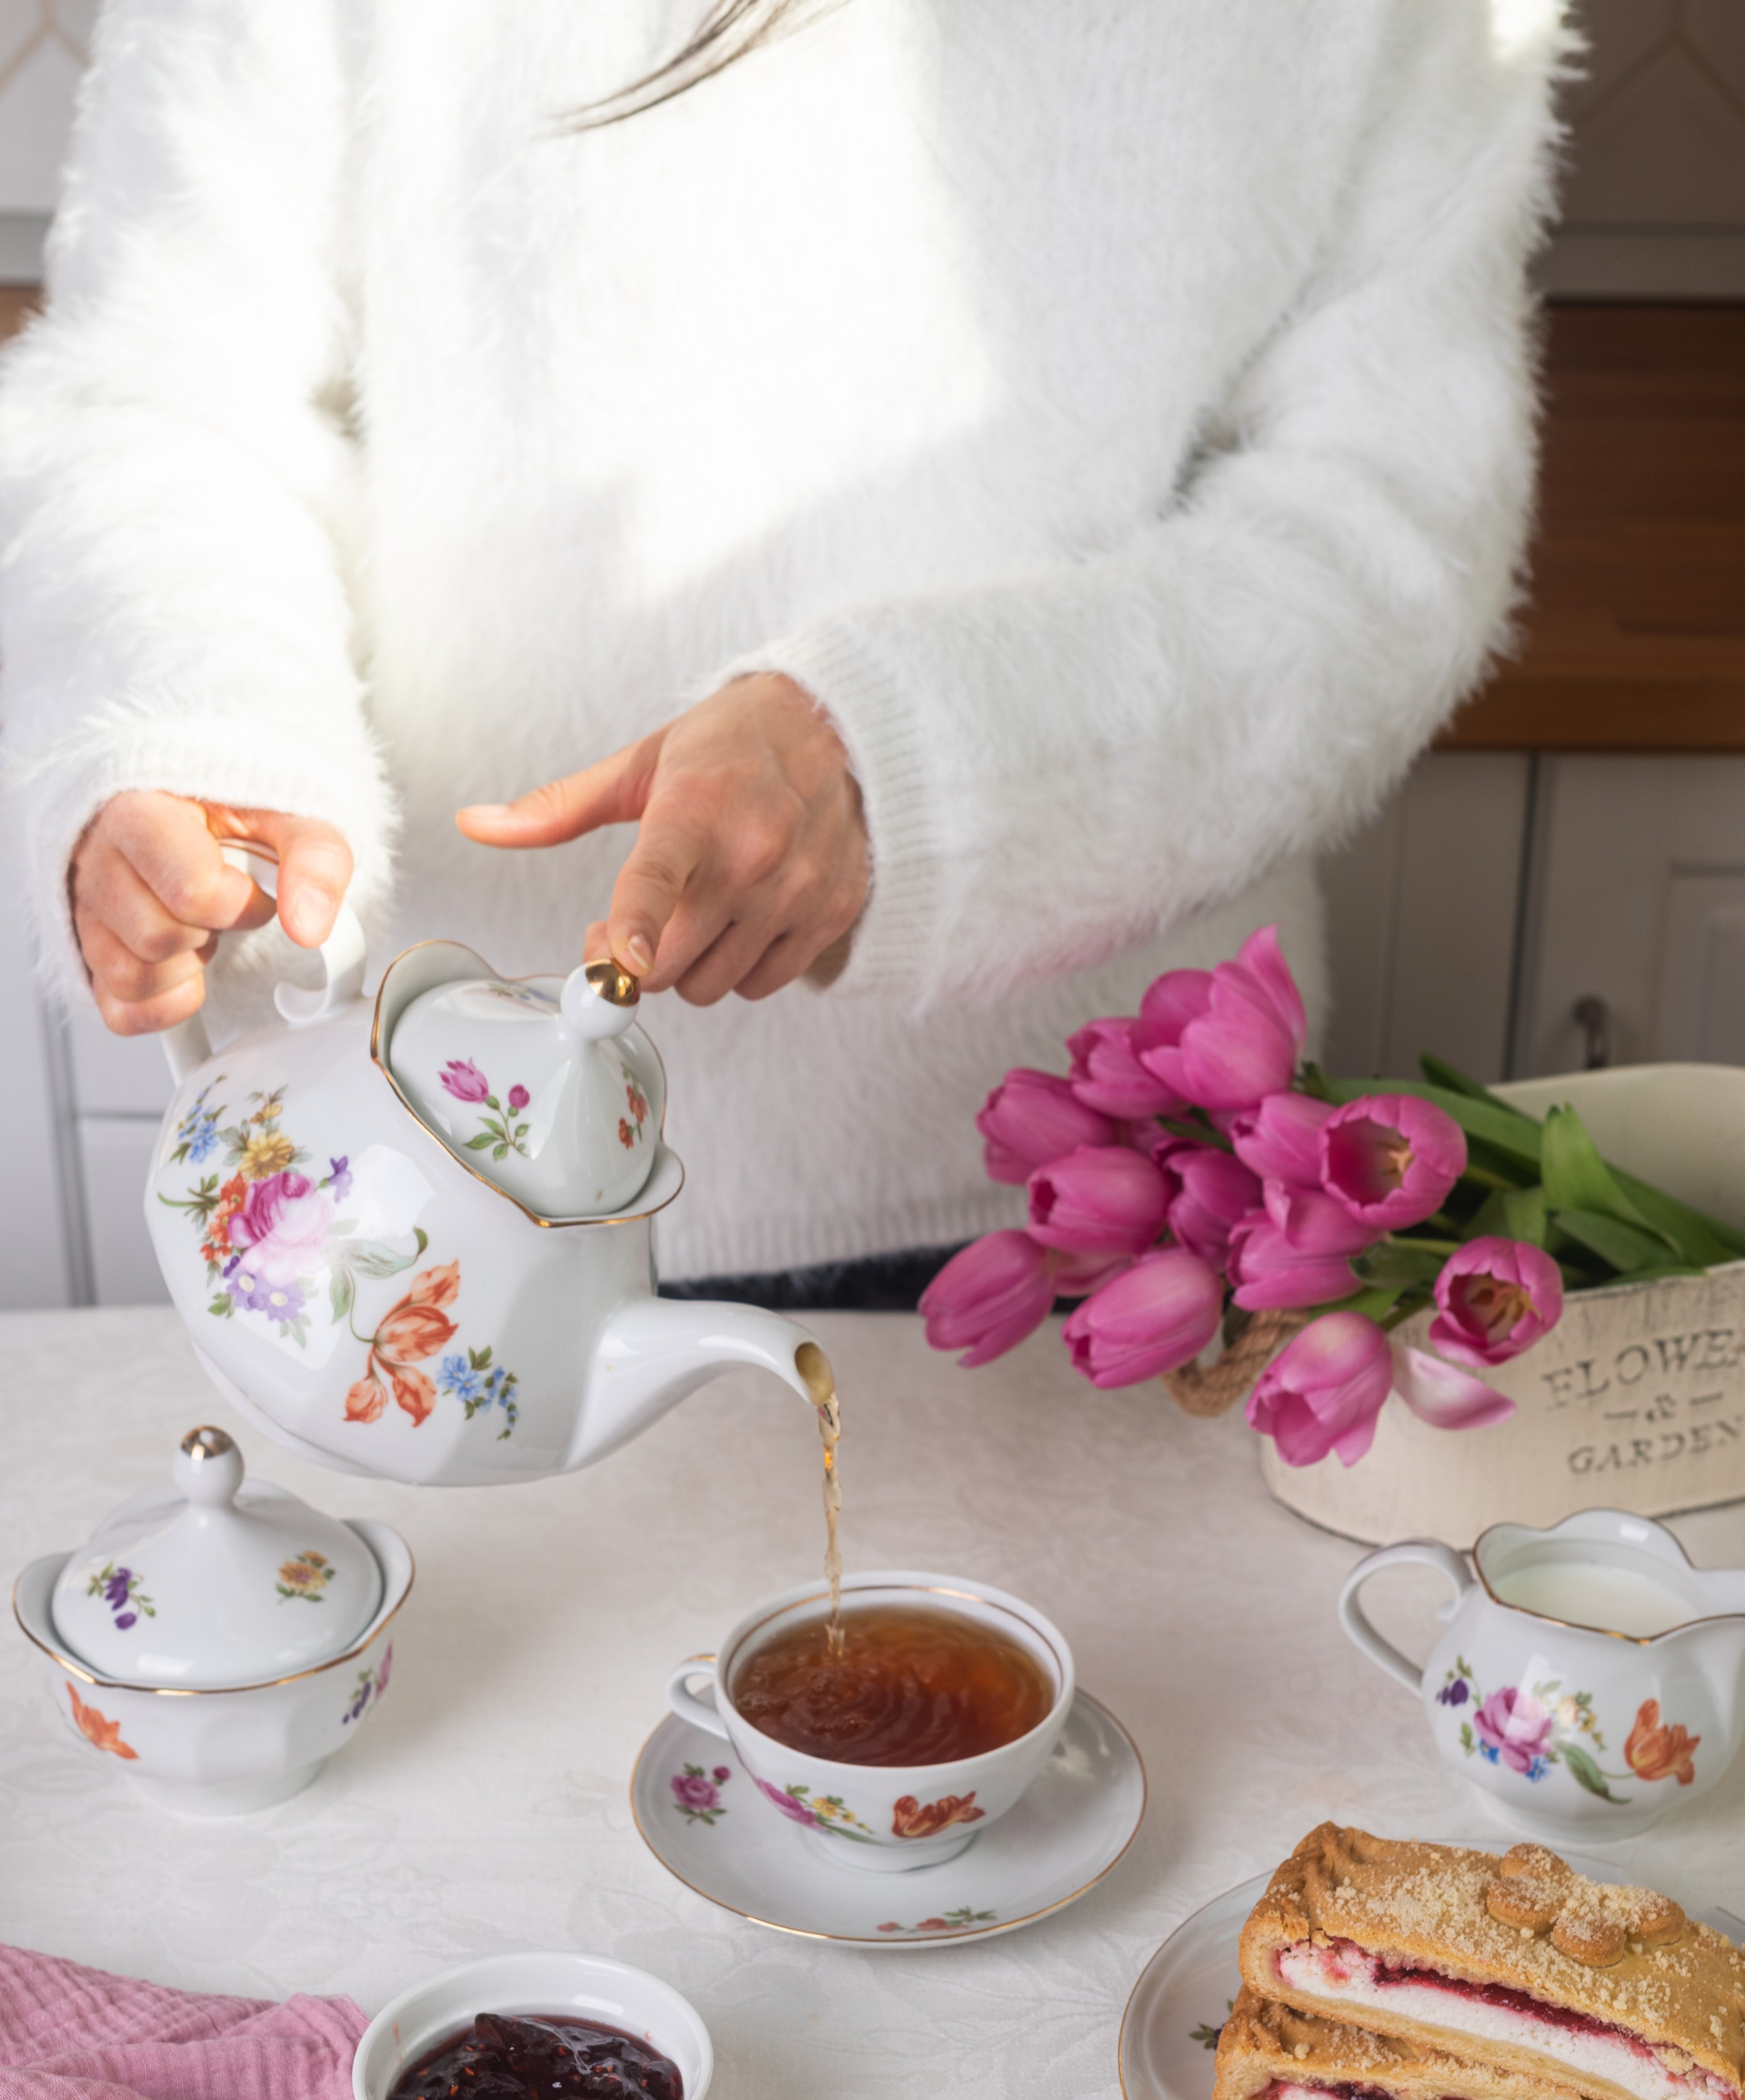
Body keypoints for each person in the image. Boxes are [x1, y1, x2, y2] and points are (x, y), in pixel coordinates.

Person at [0, 0, 1566, 1299]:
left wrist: (920, 763)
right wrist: (185, 726)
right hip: (423, 1175)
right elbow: (159, 390)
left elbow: (1382, 535)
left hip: (1093, 1204)